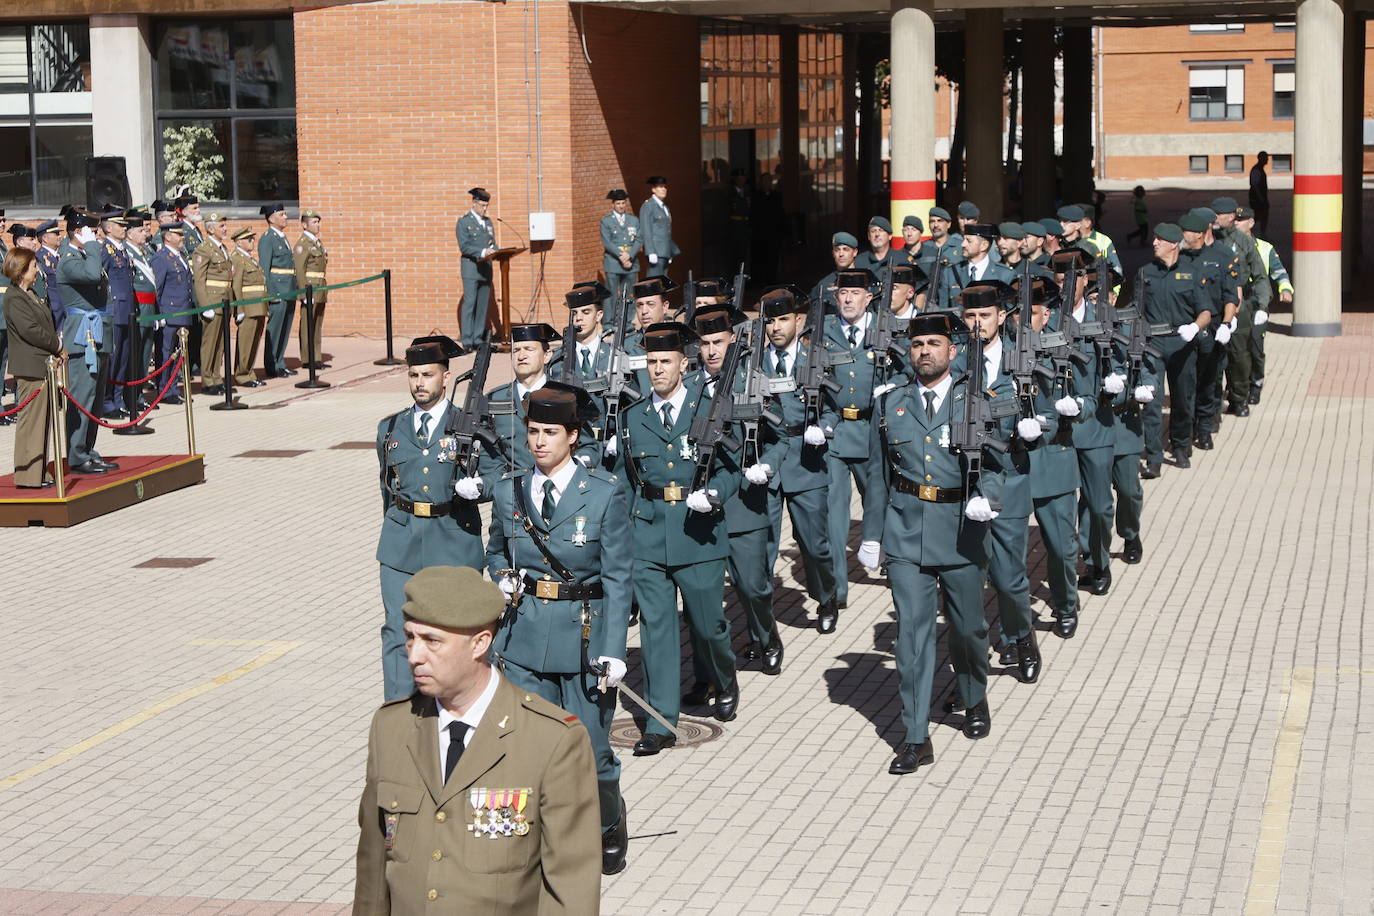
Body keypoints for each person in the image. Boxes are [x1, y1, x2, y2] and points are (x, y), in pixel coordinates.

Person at [352, 565, 601, 916]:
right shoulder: (391, 727)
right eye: (410, 637)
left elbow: (571, 889)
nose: (414, 655)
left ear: (480, 643)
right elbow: (372, 872)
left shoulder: (552, 740)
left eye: (432, 641)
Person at [483, 383, 632, 875]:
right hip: (524, 637)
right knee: (528, 745)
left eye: (550, 432)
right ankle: (534, 835)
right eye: (533, 431)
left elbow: (618, 577)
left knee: (591, 746)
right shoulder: (509, 490)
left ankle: (607, 821)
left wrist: (615, 649)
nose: (539, 441)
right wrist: (501, 577)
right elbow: (496, 550)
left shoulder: (603, 493)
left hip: (584, 639)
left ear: (573, 436)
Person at [864, 311, 1004, 775]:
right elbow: (878, 475)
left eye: (934, 344)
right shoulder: (891, 403)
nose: (925, 351)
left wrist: (988, 498)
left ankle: (973, 695)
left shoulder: (975, 400)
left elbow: (1000, 465)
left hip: (962, 531)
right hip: (906, 532)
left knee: (968, 629)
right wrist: (872, 535)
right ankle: (915, 736)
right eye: (918, 344)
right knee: (911, 637)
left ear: (953, 351)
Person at [616, 321, 741, 752]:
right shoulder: (632, 417)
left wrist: (714, 494)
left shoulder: (709, 408)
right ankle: (659, 722)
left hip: (699, 532)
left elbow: (732, 468)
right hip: (648, 533)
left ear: (683, 365)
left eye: (665, 362)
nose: (657, 370)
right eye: (651, 362)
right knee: (657, 630)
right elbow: (626, 481)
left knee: (708, 626)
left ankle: (724, 677)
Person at [376, 335, 487, 702]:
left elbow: (497, 476)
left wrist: (480, 487)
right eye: (413, 375)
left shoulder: (469, 424)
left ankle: (453, 707)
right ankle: (399, 711)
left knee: (453, 631)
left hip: (452, 538)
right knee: (398, 630)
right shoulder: (390, 428)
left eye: (427, 375)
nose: (419, 383)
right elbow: (387, 488)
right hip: (401, 544)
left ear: (445, 377)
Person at [955, 285, 1042, 683]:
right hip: (963, 480)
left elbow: (1046, 407)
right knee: (968, 574)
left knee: (1008, 577)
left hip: (1008, 476)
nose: (977, 324)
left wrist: (1036, 426)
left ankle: (1021, 636)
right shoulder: (954, 360)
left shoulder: (1020, 360)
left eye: (985, 316)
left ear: (1001, 317)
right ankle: (971, 655)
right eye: (971, 317)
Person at [693, 307, 786, 675]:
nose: (712, 350)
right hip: (701, 501)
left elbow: (780, 438)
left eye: (718, 342)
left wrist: (768, 466)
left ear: (733, 341)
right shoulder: (689, 386)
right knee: (704, 591)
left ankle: (767, 635)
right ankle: (711, 665)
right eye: (705, 343)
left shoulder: (753, 383)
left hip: (745, 499)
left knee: (752, 586)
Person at [760, 286, 840, 632]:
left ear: (798, 320)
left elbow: (835, 408)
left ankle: (826, 597)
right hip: (766, 460)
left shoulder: (816, 358)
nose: (776, 327)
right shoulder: (754, 361)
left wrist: (824, 428)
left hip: (807, 458)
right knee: (762, 546)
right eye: (770, 321)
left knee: (814, 543)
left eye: (782, 319)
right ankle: (761, 619)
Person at [822, 269, 888, 610]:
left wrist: (892, 388)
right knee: (834, 514)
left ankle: (890, 559)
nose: (847, 299)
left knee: (878, 501)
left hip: (872, 430)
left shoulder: (885, 330)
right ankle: (837, 588)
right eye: (842, 294)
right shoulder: (825, 331)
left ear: (868, 297)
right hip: (835, 432)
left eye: (854, 293)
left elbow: (905, 371)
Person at [1138, 223, 1211, 476]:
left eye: (1159, 240)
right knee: (1151, 403)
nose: (1154, 243)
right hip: (1153, 345)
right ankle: (1154, 457)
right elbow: (1136, 309)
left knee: (1182, 399)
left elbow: (1205, 311)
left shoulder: (1192, 273)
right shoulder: (1145, 273)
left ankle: (1180, 445)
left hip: (1182, 343)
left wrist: (1194, 327)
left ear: (1173, 244)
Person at [57, 208, 116, 475]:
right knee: (83, 397)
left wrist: (90, 247)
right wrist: (92, 246)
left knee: (95, 399)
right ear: (78, 232)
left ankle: (88, 450)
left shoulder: (84, 255)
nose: (97, 237)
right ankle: (77, 454)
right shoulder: (69, 260)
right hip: (83, 336)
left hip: (97, 333)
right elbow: (92, 275)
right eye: (91, 232)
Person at [3, 248, 64, 487]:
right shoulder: (14, 297)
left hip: (42, 364)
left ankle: (39, 471)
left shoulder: (31, 294)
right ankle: (28, 475)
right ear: (21, 270)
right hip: (30, 366)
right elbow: (30, 330)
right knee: (31, 423)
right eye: (33, 267)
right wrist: (57, 345)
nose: (37, 270)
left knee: (42, 423)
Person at [1210, 197, 1271, 417]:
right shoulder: (1207, 240)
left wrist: (1262, 305)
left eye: (1219, 215)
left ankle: (1239, 398)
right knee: (1212, 356)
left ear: (1230, 217)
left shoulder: (1244, 242)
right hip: (1212, 305)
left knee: (1239, 356)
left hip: (1239, 305)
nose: (1214, 218)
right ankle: (1212, 403)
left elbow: (1260, 276)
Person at [1238, 208, 1291, 404]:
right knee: (1235, 349)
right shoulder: (1226, 246)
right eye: (1235, 220)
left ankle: (1256, 384)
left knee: (1255, 346)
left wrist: (1285, 289)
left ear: (1251, 223)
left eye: (1241, 220)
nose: (1236, 223)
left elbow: (1279, 272)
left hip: (1257, 303)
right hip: (1235, 304)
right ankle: (1237, 384)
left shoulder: (1265, 247)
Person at [150, 222, 193, 405]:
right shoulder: (161, 258)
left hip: (182, 311)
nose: (183, 237)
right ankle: (165, 390)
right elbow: (157, 288)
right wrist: (159, 314)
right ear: (168, 237)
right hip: (169, 312)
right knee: (166, 353)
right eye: (179, 234)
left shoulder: (180, 255)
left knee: (178, 353)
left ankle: (173, 388)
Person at [98, 211, 135, 420]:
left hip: (127, 310)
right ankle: (106, 402)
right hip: (114, 310)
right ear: (109, 228)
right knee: (112, 359)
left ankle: (118, 399)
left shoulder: (122, 250)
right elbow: (100, 280)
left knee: (123, 359)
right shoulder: (105, 250)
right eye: (120, 225)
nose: (124, 228)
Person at [191, 213, 233, 397]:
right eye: (221, 226)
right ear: (210, 228)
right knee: (210, 343)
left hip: (225, 301)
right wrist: (205, 305)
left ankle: (217, 378)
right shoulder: (204, 250)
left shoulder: (222, 248)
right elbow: (199, 281)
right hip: (213, 302)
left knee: (220, 343)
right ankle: (207, 380)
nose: (225, 229)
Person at [259, 203, 297, 378]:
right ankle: (272, 365)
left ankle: (280, 362)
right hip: (278, 290)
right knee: (275, 329)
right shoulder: (268, 239)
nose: (285, 217)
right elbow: (265, 269)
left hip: (288, 289)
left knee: (285, 329)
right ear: (271, 218)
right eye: (281, 214)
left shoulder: (282, 237)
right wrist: (271, 294)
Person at [228, 226, 269, 388]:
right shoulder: (237, 259)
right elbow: (236, 286)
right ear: (239, 242)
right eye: (248, 239)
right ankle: (242, 375)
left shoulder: (249, 259)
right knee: (245, 343)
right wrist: (239, 309)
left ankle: (249, 373)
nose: (252, 241)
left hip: (258, 306)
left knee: (254, 342)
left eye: (252, 238)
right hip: (248, 307)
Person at [457, 188, 496, 350]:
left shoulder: (488, 222)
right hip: (471, 268)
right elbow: (464, 246)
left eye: (486, 205)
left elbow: (492, 243)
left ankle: (478, 339)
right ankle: (467, 340)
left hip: (486, 269)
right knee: (470, 303)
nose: (484, 209)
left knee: (482, 305)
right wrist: (483, 252)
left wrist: (496, 251)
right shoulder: (464, 222)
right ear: (474, 203)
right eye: (482, 205)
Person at [294, 208, 329, 369]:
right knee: (308, 324)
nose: (318, 225)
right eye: (314, 222)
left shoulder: (317, 243)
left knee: (317, 323)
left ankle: (316, 356)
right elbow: (299, 270)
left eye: (318, 222)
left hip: (320, 286)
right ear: (304, 225)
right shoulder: (303, 244)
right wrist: (303, 293)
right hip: (310, 288)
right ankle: (307, 359)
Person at [600, 189, 640, 302]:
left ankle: (627, 315)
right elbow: (607, 242)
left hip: (631, 262)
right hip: (613, 262)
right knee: (611, 296)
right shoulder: (606, 221)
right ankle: (611, 315)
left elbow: (639, 239)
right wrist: (621, 256)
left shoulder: (633, 220)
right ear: (613, 204)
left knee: (630, 296)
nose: (621, 206)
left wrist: (629, 255)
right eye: (618, 203)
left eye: (623, 203)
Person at [808, 231, 859, 316]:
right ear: (833, 253)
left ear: (855, 252)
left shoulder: (866, 280)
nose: (841, 254)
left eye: (845, 249)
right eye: (837, 250)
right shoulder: (823, 285)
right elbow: (813, 317)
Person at [640, 176, 679, 278]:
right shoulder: (648, 206)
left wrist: (669, 250)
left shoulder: (664, 207)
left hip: (665, 251)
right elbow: (646, 230)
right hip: (656, 251)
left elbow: (667, 231)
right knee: (655, 282)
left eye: (665, 187)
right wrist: (650, 251)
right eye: (660, 187)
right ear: (653, 189)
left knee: (663, 282)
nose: (664, 189)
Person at [37, 220, 63, 329]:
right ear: (45, 238)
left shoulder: (60, 256)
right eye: (56, 234)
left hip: (64, 308)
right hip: (55, 311)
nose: (60, 236)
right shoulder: (39, 257)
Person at [1249, 151, 1270, 236]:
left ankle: (1262, 233)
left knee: (1262, 215)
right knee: (1258, 215)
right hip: (1257, 198)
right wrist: (1261, 198)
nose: (1267, 160)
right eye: (1266, 158)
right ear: (1261, 159)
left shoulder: (1259, 169)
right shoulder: (1256, 170)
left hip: (1259, 197)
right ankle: (1248, 231)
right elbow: (1254, 185)